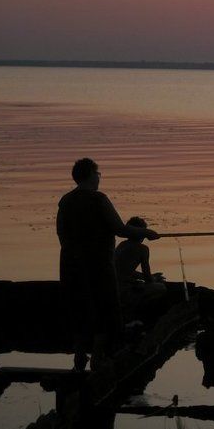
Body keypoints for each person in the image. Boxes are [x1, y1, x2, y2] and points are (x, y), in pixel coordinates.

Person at [56, 158, 160, 372]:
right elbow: (120, 229)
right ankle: (98, 357)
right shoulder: (99, 199)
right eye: (98, 173)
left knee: (79, 309)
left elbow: (61, 233)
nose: (99, 177)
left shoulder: (65, 201)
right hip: (98, 266)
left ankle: (79, 358)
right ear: (91, 175)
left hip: (70, 265)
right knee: (106, 310)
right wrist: (146, 233)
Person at [115, 216, 167, 316]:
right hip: (123, 292)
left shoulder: (122, 245)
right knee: (161, 287)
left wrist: (151, 276)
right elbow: (148, 280)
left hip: (114, 287)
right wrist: (154, 279)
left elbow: (124, 270)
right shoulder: (142, 249)